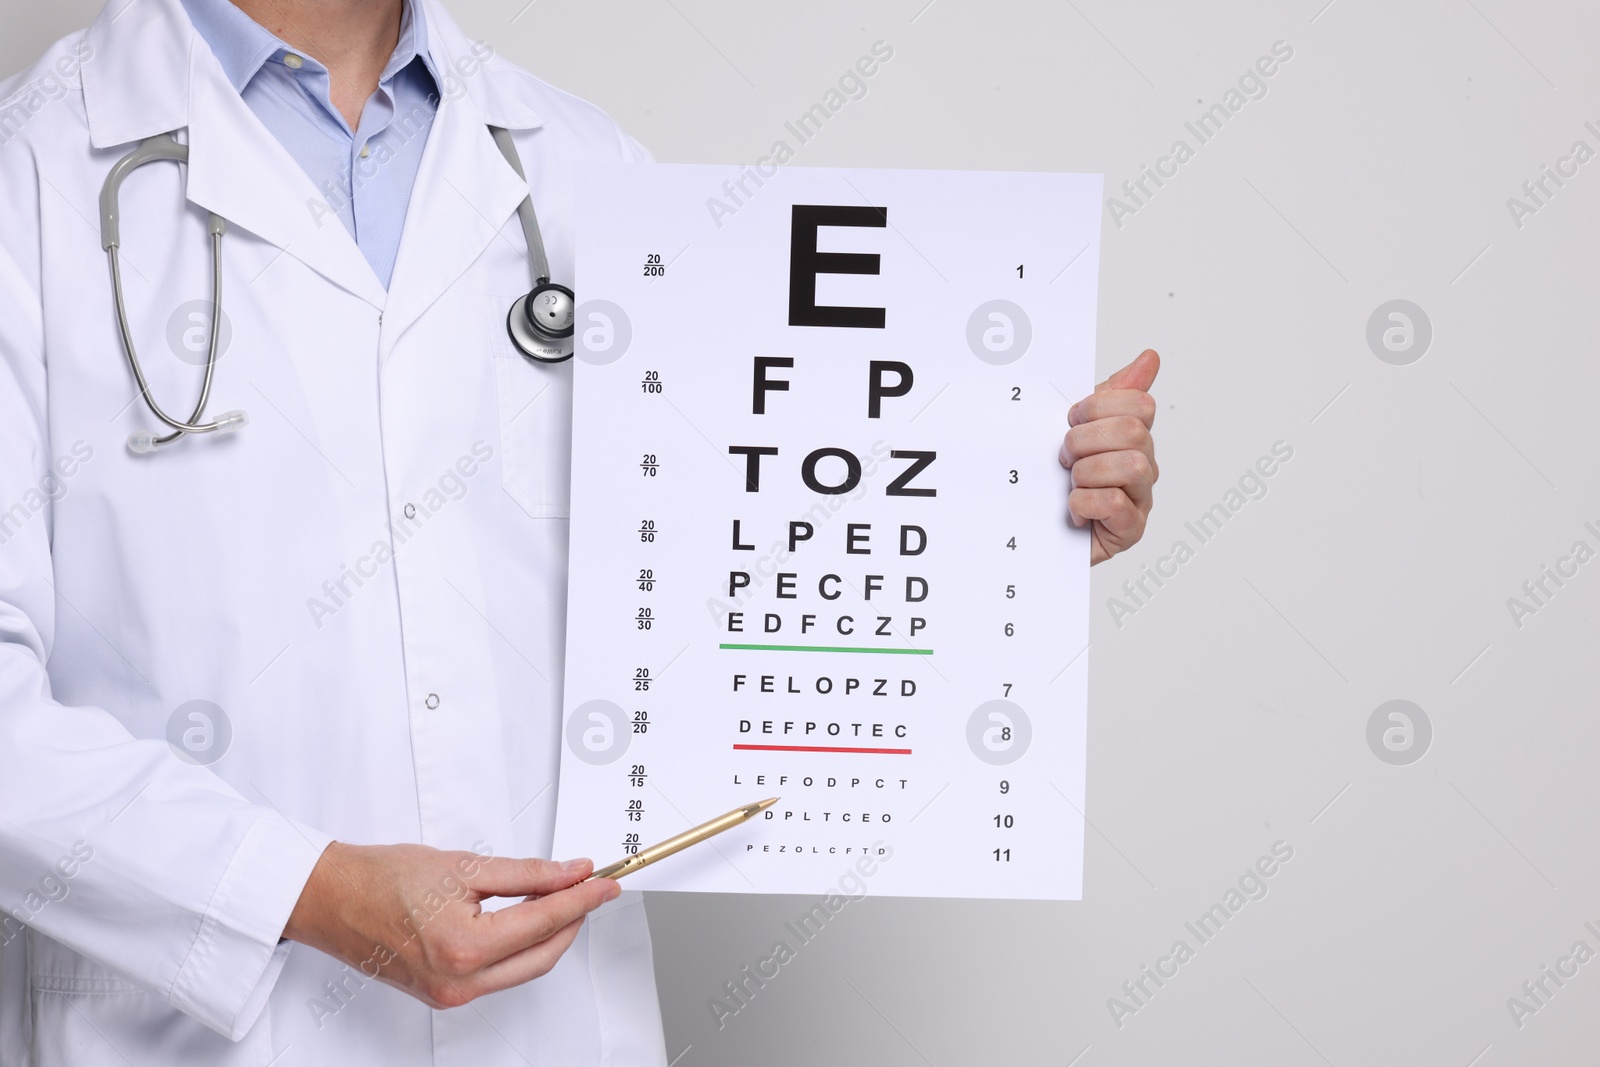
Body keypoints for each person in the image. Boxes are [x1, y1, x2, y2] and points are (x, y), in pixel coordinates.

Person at [0, 0, 1160, 1062]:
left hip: (553, 1026)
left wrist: (1006, 518)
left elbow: (731, 559)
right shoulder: (34, 167)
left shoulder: (587, 167)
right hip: (194, 1030)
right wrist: (304, 891)